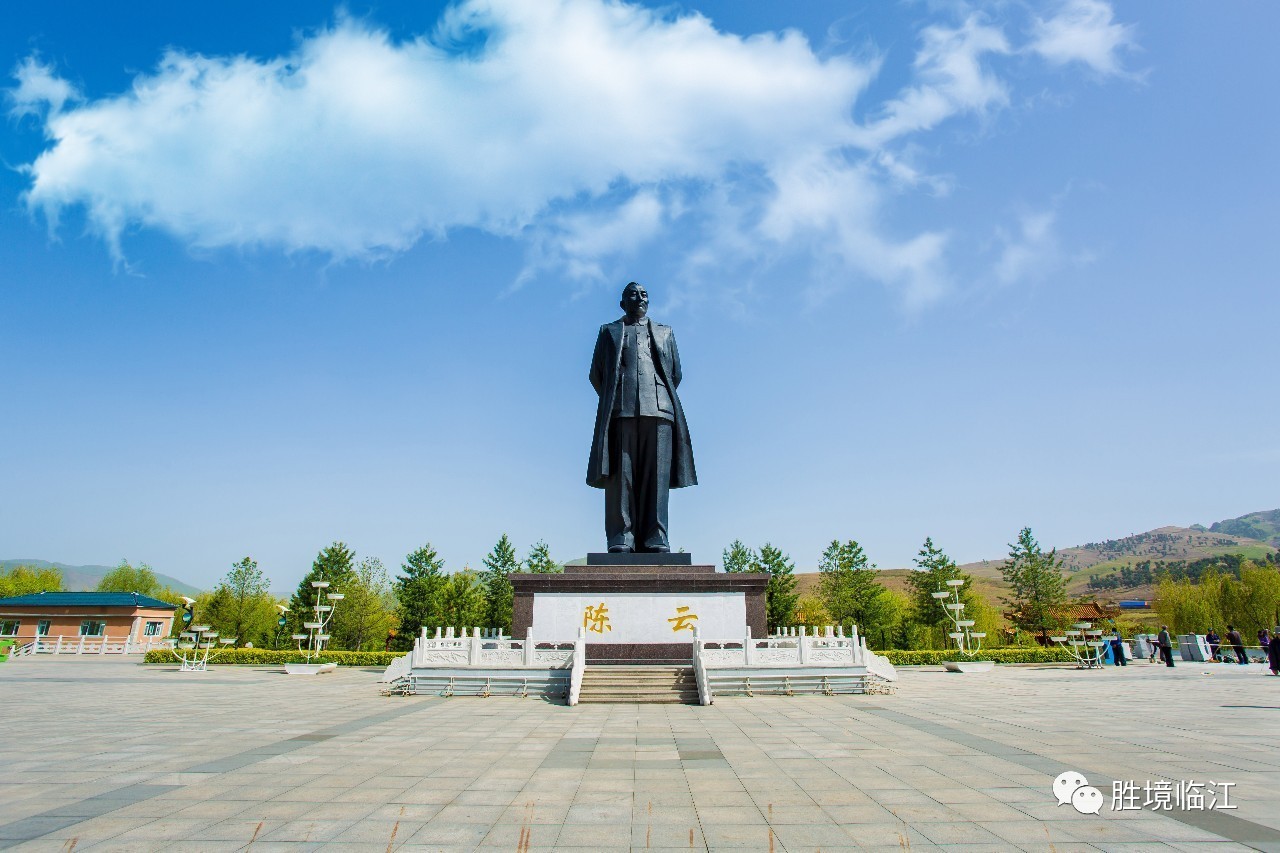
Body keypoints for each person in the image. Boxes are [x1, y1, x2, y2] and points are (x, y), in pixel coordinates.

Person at [586, 282, 697, 553]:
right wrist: (619, 395)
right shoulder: (608, 331)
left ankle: (656, 536)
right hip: (621, 411)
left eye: (644, 294)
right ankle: (621, 537)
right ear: (622, 302)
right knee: (620, 477)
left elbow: (675, 374)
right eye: (633, 294)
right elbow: (597, 375)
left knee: (657, 477)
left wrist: (656, 396)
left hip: (659, 412)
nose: (640, 298)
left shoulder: (664, 332)